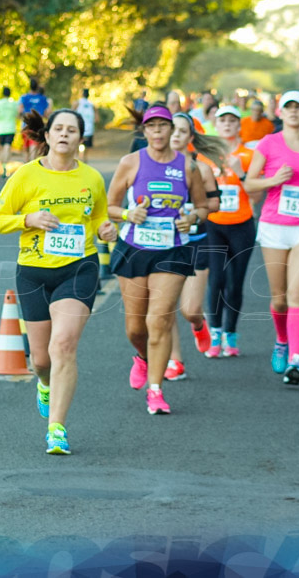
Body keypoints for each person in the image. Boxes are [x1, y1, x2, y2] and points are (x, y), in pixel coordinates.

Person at [0, 109, 116, 454]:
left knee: (64, 347)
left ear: (80, 138)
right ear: (46, 136)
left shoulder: (91, 178)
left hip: (79, 268)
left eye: (71, 130)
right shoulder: (26, 175)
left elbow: (101, 218)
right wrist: (29, 218)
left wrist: (107, 230)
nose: (64, 135)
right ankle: (44, 384)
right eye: (58, 129)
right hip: (33, 270)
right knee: (41, 360)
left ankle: (56, 428)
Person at [107, 104, 209, 414]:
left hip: (172, 248)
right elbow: (109, 207)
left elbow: (204, 208)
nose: (158, 131)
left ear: (171, 130)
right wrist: (128, 213)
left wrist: (191, 217)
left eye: (163, 126)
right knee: (136, 328)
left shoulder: (188, 166)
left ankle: (156, 391)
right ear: (145, 131)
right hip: (135, 248)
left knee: (160, 320)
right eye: (151, 126)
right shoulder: (130, 163)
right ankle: (142, 357)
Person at [243, 90, 299, 386]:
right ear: (280, 113)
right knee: (279, 298)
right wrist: (273, 181)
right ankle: (281, 340)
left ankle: (295, 359)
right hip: (273, 226)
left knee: (298, 293)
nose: (294, 112)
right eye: (289, 107)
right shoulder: (269, 143)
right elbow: (249, 183)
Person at [164, 112, 223, 381]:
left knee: (188, 309)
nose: (175, 135)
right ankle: (175, 360)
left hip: (197, 243)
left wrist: (192, 211)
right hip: (164, 244)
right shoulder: (150, 166)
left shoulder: (201, 168)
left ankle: (199, 324)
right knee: (164, 309)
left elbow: (215, 205)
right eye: (171, 129)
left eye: (181, 131)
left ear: (190, 137)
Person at [204, 105, 258, 358]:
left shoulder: (249, 155)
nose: (227, 124)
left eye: (232, 121)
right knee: (216, 280)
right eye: (222, 120)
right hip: (214, 224)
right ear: (216, 124)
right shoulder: (205, 156)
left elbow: (257, 193)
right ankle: (215, 334)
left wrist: (241, 173)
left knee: (234, 284)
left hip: (242, 225)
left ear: (239, 126)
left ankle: (231, 334)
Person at [19, 78, 50, 161]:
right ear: (37, 87)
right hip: (38, 126)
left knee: (26, 148)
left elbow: (20, 110)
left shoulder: (24, 98)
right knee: (34, 148)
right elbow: (47, 113)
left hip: (26, 125)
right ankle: (32, 166)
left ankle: (26, 165)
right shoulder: (43, 98)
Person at [0, 86, 20, 175]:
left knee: (1, 148)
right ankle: (5, 166)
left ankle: (2, 166)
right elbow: (17, 115)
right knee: (7, 147)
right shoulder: (14, 104)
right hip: (10, 127)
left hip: (0, 128)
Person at [74, 88, 96, 162]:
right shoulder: (92, 105)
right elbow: (97, 119)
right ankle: (84, 160)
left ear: (82, 94)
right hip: (89, 129)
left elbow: (71, 113)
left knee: (76, 145)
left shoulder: (77, 103)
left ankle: (76, 159)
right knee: (86, 148)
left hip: (78, 128)